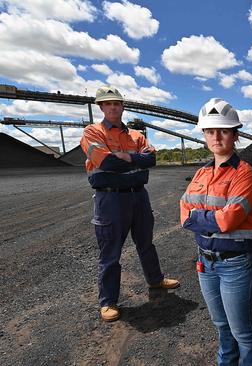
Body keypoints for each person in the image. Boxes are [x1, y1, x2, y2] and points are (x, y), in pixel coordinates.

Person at [80, 86, 179, 322]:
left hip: (138, 195)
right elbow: (104, 162)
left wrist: (126, 157)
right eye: (108, 103)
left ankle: (155, 280)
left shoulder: (137, 135)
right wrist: (135, 161)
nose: (113, 107)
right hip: (110, 198)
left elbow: (151, 159)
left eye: (117, 103)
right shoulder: (92, 132)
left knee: (146, 242)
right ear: (101, 107)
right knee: (110, 251)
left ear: (123, 106)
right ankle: (108, 301)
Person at [180, 98, 252, 365]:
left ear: (235, 134)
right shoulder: (202, 172)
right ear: (204, 134)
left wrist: (197, 217)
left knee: (243, 332)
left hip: (236, 265)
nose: (216, 137)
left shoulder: (245, 174)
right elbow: (183, 212)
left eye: (223, 131)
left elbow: (229, 220)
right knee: (222, 326)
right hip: (206, 262)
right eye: (210, 131)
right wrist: (202, 217)